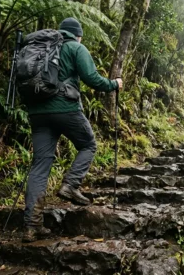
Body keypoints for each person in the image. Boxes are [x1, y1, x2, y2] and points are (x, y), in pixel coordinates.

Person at [22, 17, 123, 242]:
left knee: (40, 166)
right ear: (78, 35)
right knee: (88, 144)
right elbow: (92, 79)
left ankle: (31, 226)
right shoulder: (76, 47)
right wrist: (114, 84)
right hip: (65, 109)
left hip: (37, 113)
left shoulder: (43, 48)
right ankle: (70, 185)